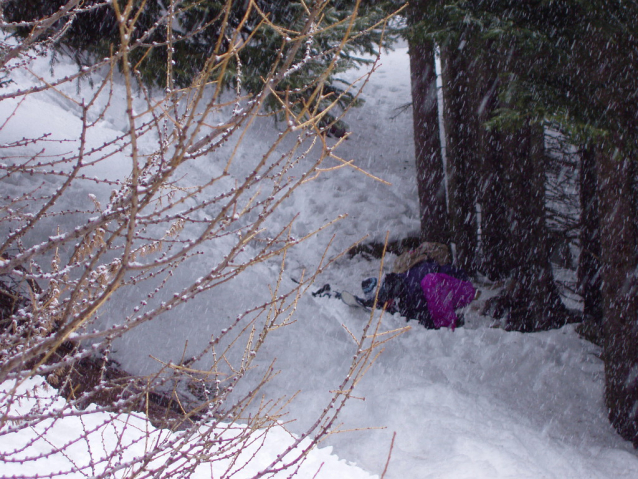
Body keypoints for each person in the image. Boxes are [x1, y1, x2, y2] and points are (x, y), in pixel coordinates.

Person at [362, 243, 476, 331]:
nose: (387, 304)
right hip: (448, 295)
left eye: (383, 299)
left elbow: (431, 293)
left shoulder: (412, 279)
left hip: (463, 289)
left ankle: (447, 325)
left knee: (430, 282)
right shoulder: (402, 295)